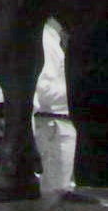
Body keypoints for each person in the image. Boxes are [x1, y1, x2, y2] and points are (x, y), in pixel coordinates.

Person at [32, 18, 77, 195]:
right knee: (57, 192)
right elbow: (43, 90)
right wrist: (79, 90)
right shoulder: (45, 41)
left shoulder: (53, 39)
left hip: (60, 124)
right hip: (54, 126)